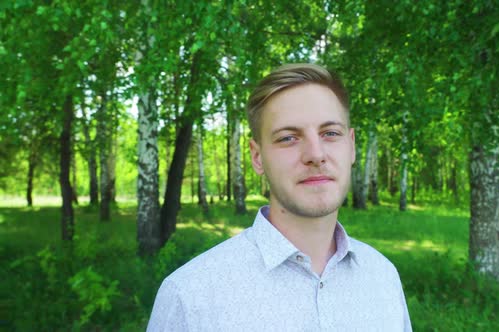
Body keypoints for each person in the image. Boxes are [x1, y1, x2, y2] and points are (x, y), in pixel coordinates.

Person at [147, 63, 412, 331]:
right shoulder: (190, 297)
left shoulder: (383, 277)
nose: (316, 154)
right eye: (288, 138)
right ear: (257, 156)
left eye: (330, 133)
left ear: (352, 146)